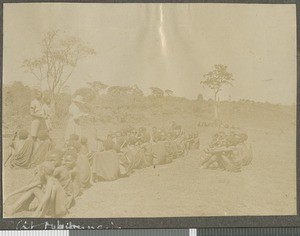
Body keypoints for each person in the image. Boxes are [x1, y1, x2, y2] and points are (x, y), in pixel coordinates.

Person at [4, 161, 69, 217]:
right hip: (54, 207)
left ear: (43, 171)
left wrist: (36, 212)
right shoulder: (48, 179)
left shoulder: (50, 181)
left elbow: (46, 198)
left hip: (56, 210)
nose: (37, 173)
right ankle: (13, 207)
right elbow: (26, 187)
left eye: (39, 171)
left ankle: (12, 208)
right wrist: (9, 195)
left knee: (35, 189)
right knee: (34, 188)